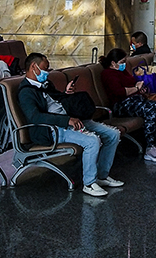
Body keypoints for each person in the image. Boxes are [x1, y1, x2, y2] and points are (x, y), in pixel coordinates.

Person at [18, 52, 124, 198]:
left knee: (113, 134)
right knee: (92, 141)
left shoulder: (46, 84)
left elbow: (56, 102)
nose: (47, 72)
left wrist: (66, 93)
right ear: (33, 67)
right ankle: (89, 183)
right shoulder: (25, 92)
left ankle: (102, 176)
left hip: (68, 119)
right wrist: (66, 121)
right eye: (45, 68)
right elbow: (35, 117)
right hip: (51, 129)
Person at [99, 48, 156, 162]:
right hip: (121, 105)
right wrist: (136, 88)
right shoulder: (107, 74)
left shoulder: (122, 71)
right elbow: (119, 92)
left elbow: (132, 83)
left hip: (136, 100)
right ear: (113, 63)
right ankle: (150, 148)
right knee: (150, 111)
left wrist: (140, 88)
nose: (124, 64)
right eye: (122, 62)